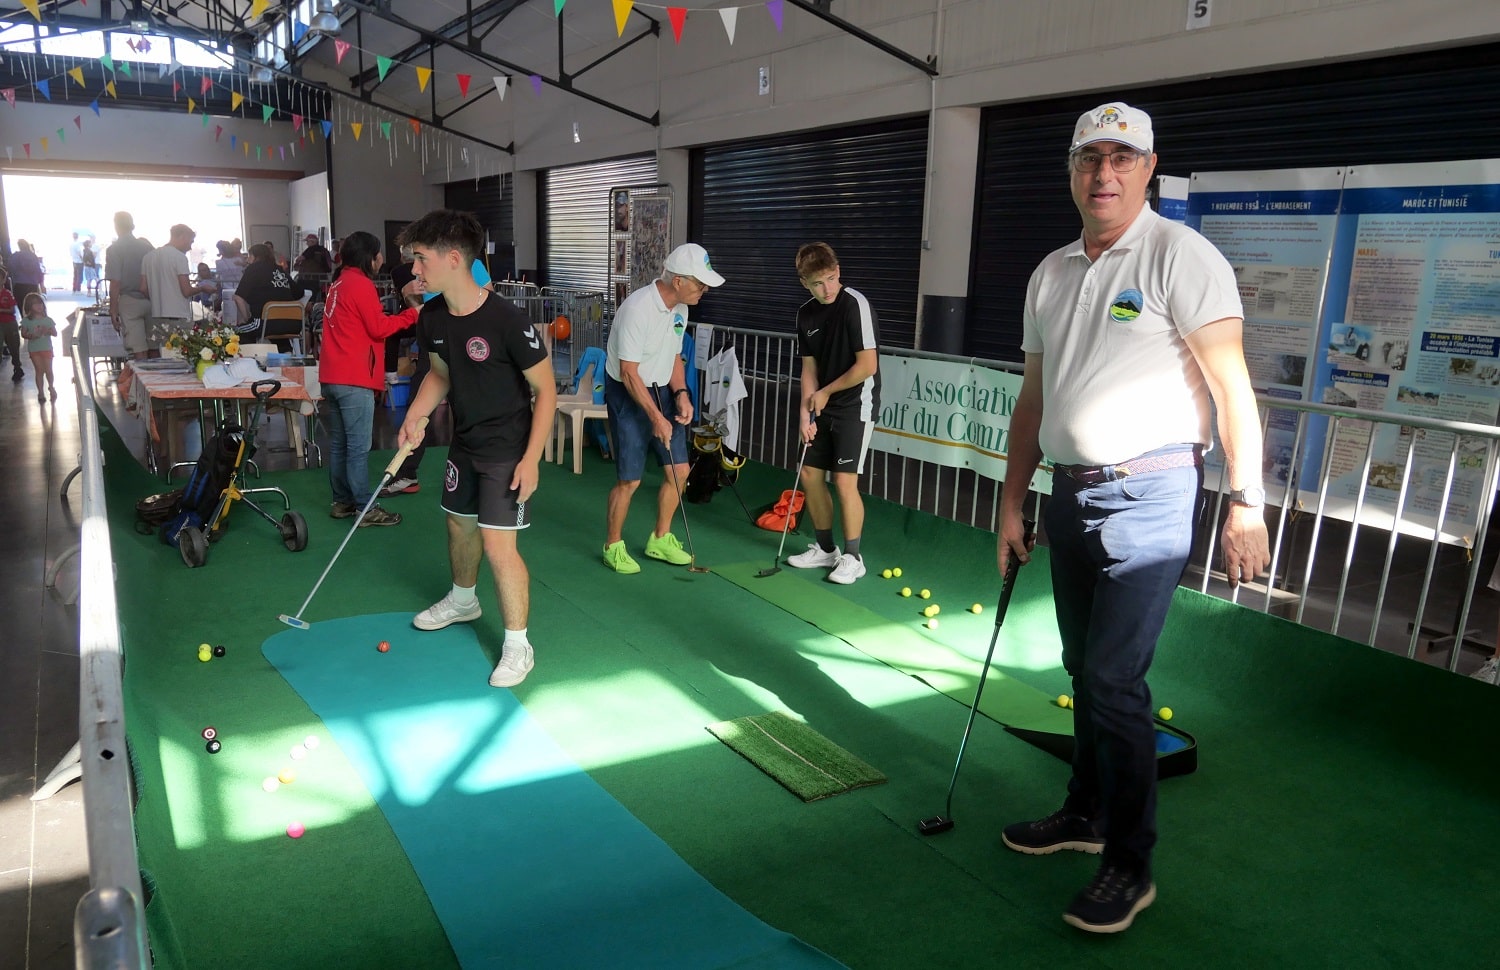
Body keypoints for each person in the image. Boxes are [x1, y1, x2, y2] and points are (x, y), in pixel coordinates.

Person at [994, 103, 1271, 935]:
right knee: (1084, 669)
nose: (1104, 174)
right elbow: (1033, 399)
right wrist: (1011, 500)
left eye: (1122, 158)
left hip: (1151, 493)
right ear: (1072, 170)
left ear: (1149, 169)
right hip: (1070, 494)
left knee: (1115, 679)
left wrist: (1246, 502)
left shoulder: (1182, 255)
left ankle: (1130, 862)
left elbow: (1232, 388)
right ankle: (1085, 812)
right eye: (1090, 159)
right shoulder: (1050, 272)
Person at [396, 209, 556, 689]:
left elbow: (545, 391)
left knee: (498, 545)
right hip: (464, 443)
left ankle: (518, 644)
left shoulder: (507, 320)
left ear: (452, 259)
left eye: (421, 259)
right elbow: (440, 374)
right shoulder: (432, 316)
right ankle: (464, 600)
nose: (414, 270)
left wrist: (532, 460)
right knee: (458, 524)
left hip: (508, 449)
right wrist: (415, 415)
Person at [600, 243, 724, 574]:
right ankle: (613, 545)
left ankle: (660, 539)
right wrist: (655, 417)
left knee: (679, 471)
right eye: (700, 284)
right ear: (679, 280)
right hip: (628, 393)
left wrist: (681, 393)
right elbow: (628, 372)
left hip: (662, 390)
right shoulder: (637, 309)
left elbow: (673, 356)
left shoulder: (681, 308)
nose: (704, 291)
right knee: (630, 480)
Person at [785, 242, 881, 584]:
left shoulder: (855, 305)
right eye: (817, 283)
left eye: (830, 278)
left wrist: (825, 393)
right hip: (822, 405)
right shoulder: (805, 314)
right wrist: (804, 414)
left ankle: (853, 557)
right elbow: (809, 369)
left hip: (856, 405)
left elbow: (867, 365)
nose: (827, 289)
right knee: (810, 474)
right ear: (804, 284)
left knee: (843, 480)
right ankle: (826, 550)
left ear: (838, 271)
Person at [318, 232, 422, 528]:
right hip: (354, 379)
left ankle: (342, 502)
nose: (382, 259)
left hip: (333, 376)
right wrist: (413, 314)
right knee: (357, 448)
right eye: (378, 254)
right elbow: (378, 328)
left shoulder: (339, 283)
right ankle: (366, 508)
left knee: (340, 445)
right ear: (370, 257)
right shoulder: (360, 284)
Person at [142, 224, 213, 342]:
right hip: (178, 315)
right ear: (183, 236)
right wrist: (202, 288)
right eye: (191, 241)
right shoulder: (179, 257)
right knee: (182, 349)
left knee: (158, 350)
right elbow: (186, 291)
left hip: (155, 315)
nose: (190, 247)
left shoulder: (148, 257)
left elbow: (143, 288)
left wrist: (157, 300)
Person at [104, 212, 157, 360]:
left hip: (129, 301)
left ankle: (142, 374)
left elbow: (115, 281)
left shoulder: (114, 249)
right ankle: (158, 373)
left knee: (138, 347)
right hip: (151, 300)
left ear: (116, 226)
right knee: (154, 345)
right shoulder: (147, 247)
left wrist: (113, 309)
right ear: (132, 225)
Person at [233, 243, 306, 337]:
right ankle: (284, 347)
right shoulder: (280, 270)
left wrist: (246, 319)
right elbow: (300, 293)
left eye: (249, 256)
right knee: (278, 333)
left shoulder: (253, 269)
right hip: (294, 324)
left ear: (255, 256)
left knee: (232, 334)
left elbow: (238, 297)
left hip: (265, 324)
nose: (247, 260)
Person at [20, 292, 58, 403]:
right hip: (34, 349)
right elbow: (23, 334)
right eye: (35, 304)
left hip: (46, 348)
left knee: (49, 370)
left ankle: (51, 386)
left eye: (40, 303)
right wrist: (31, 335)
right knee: (39, 370)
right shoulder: (26, 321)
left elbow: (55, 333)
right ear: (29, 306)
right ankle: (40, 392)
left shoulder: (48, 320)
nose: (39, 306)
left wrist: (47, 331)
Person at [0, 268, 22, 381]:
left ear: (4, 280)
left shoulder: (7, 294)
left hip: (9, 323)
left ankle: (17, 367)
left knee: (14, 346)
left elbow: (12, 310)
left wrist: (1, 310)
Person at [9, 240, 44, 307]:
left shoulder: (16, 256)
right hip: (32, 284)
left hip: (19, 284)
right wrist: (40, 283)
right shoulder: (33, 256)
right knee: (32, 306)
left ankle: (23, 314)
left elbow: (12, 268)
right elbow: (38, 270)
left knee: (21, 305)